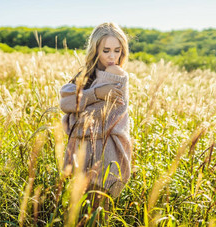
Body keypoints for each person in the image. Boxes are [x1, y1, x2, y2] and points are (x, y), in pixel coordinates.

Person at [59, 22, 131, 213]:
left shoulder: (117, 75)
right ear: (95, 49)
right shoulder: (86, 75)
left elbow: (97, 117)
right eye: (106, 50)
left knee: (98, 215)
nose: (112, 56)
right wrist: (96, 94)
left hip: (104, 155)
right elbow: (65, 102)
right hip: (82, 153)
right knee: (78, 214)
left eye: (117, 50)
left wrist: (80, 106)